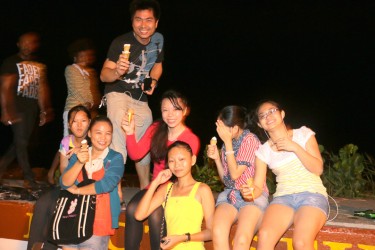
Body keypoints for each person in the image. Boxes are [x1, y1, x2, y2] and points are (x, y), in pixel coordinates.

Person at [241, 100, 328, 250]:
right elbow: (258, 187)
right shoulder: (263, 151)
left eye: (272, 111)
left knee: (301, 242)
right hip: (283, 198)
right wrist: (249, 192)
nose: (268, 116)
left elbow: (318, 169)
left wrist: (294, 147)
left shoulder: (303, 134)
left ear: (282, 114)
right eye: (262, 116)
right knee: (265, 236)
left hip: (311, 194)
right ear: (260, 124)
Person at [121, 90, 200, 250]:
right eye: (165, 110)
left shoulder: (190, 139)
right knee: (131, 209)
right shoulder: (157, 128)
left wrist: (159, 191)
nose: (170, 114)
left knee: (155, 214)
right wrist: (130, 133)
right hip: (155, 185)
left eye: (176, 109)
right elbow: (136, 154)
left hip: (175, 188)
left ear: (185, 111)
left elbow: (180, 173)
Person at [100, 0, 164, 189]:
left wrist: (153, 81)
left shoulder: (158, 40)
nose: (143, 25)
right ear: (132, 22)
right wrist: (118, 71)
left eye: (148, 20)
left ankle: (145, 188)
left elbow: (158, 66)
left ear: (156, 23)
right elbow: (104, 75)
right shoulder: (120, 42)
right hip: (117, 92)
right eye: (138, 20)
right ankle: (115, 188)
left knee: (144, 140)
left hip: (140, 98)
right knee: (119, 133)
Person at [27, 105, 92, 250]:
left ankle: (49, 246)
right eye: (75, 121)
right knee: (42, 203)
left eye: (83, 121)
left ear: (90, 122)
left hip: (86, 190)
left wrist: (80, 153)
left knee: (56, 211)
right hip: (67, 185)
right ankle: (33, 247)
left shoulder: (94, 140)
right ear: (69, 125)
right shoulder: (66, 141)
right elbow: (63, 170)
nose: (79, 125)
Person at [206, 105, 269, 250]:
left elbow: (235, 174)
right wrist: (216, 158)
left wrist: (227, 143)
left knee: (241, 239)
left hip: (252, 195)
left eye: (222, 127)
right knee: (218, 231)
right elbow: (227, 181)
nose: (219, 131)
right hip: (230, 195)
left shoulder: (250, 140)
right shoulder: (227, 145)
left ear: (234, 128)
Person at [135, 141, 215, 250]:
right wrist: (155, 183)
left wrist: (182, 238)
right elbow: (139, 215)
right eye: (172, 161)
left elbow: (211, 232)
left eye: (182, 159)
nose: (177, 165)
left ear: (193, 160)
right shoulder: (166, 189)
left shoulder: (202, 189)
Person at [59, 115, 124, 250]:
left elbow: (106, 185)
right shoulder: (80, 154)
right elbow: (64, 182)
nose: (103, 138)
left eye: (108, 134)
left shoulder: (115, 158)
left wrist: (77, 190)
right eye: (98, 133)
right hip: (72, 220)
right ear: (89, 133)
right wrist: (78, 162)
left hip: (98, 224)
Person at [0, 31, 53, 188]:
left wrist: (44, 110)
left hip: (31, 110)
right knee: (21, 144)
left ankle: (1, 168)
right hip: (16, 109)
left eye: (31, 43)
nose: (27, 45)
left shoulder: (39, 66)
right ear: (18, 44)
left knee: (19, 144)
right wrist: (6, 110)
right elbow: (5, 87)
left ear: (35, 45)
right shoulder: (10, 62)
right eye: (24, 42)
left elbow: (42, 88)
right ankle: (29, 179)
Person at [47, 38, 102, 185]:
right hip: (72, 112)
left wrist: (94, 106)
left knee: (84, 144)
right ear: (75, 56)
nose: (85, 58)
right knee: (67, 145)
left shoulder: (90, 72)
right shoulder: (71, 69)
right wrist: (90, 103)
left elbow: (94, 94)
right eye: (81, 55)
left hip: (87, 113)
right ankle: (58, 175)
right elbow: (79, 92)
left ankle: (79, 175)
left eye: (87, 55)